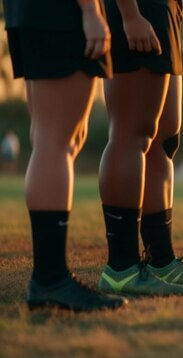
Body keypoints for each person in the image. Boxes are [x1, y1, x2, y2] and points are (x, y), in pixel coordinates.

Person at [4, 0, 127, 311]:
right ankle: (51, 279)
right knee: (56, 141)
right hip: (60, 12)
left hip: (31, 13)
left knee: (55, 138)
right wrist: (90, 10)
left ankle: (50, 276)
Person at [97, 0, 183, 297]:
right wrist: (130, 14)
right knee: (131, 135)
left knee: (163, 140)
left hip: (166, 11)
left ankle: (161, 259)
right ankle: (121, 267)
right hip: (140, 10)